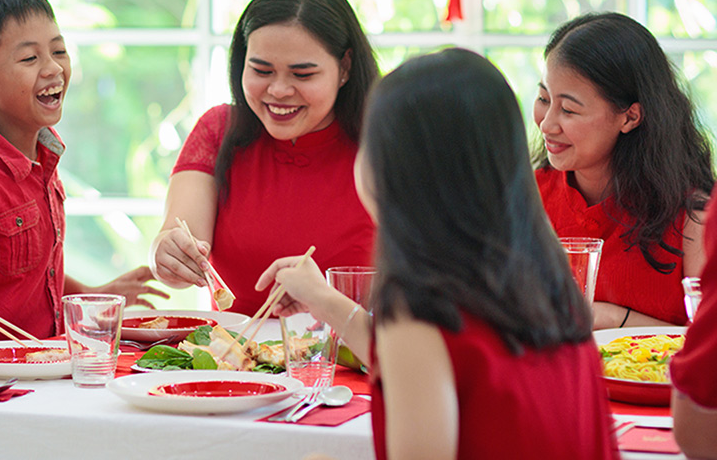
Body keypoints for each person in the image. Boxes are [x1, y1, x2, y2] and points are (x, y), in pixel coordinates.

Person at [259, 48, 616, 459]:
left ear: (398, 170)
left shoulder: (421, 309)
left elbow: (418, 362)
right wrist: (324, 300)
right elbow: (425, 368)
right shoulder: (544, 275)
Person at [0, 0, 164, 341]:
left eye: (59, 51)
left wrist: (94, 298)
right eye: (30, 59)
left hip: (46, 362)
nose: (53, 69)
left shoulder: (43, 157)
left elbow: (35, 274)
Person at [149, 0, 379, 315]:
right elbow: (179, 235)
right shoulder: (219, 130)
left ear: (344, 67)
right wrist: (167, 254)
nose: (279, 91)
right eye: (261, 70)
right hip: (237, 362)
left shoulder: (383, 143)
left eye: (302, 74)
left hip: (353, 361)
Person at [533, 12, 714, 329]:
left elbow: (707, 346)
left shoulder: (695, 216)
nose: (547, 124)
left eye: (569, 110)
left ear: (630, 117)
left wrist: (612, 318)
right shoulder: (527, 197)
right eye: (544, 98)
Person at [671, 182, 717, 458]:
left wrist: (616, 316)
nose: (548, 133)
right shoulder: (537, 191)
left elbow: (697, 433)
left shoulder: (691, 208)